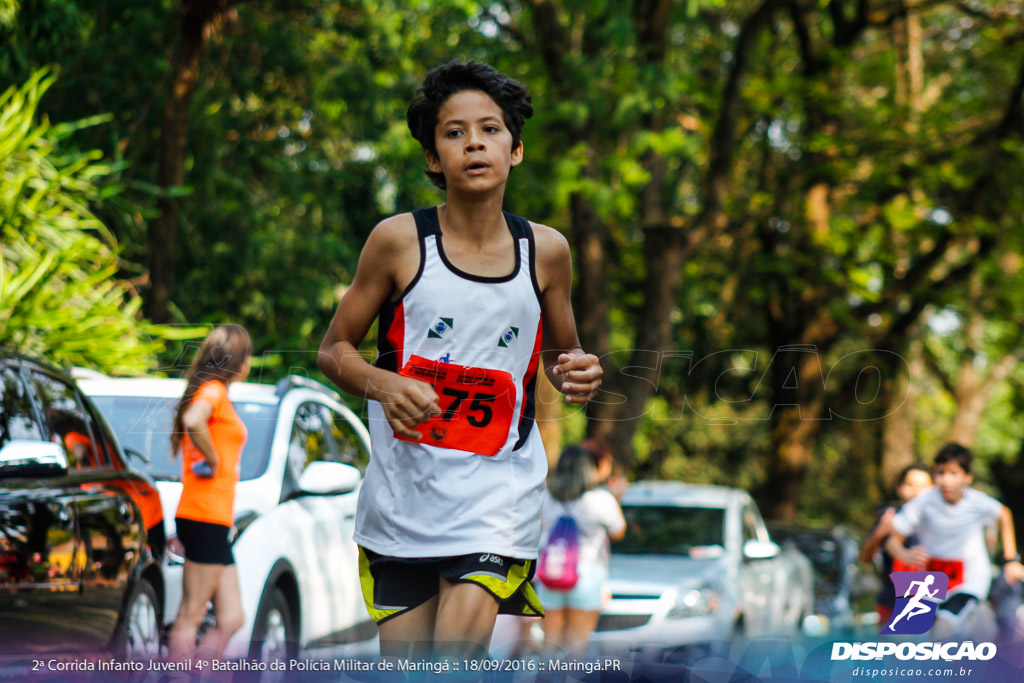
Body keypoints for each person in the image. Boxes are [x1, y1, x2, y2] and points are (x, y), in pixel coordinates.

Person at [317, 60, 603, 659]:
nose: (473, 141)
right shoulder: (398, 241)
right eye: (454, 132)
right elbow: (333, 350)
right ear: (432, 157)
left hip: (498, 496)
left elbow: (561, 354)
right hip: (402, 501)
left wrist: (578, 369)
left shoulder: (546, 252)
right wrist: (384, 386)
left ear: (516, 149)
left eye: (490, 129)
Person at [167, 325, 252, 659]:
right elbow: (193, 418)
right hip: (203, 515)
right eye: (247, 356)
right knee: (192, 614)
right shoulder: (214, 391)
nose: (249, 362)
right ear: (236, 362)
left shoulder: (213, 391)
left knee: (232, 617)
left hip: (212, 518)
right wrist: (213, 457)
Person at [886, 443, 1024, 637]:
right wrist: (903, 553)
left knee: (943, 629)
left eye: (953, 474)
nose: (946, 481)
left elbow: (1004, 514)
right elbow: (892, 541)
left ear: (967, 477)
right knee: (904, 634)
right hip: (931, 582)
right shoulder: (923, 502)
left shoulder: (978, 502)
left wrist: (1011, 560)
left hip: (969, 582)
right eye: (940, 473)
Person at [536, 444, 625, 657]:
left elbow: (538, 528)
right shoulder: (601, 499)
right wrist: (618, 496)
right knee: (577, 644)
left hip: (552, 571)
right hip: (587, 573)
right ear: (587, 469)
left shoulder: (546, 497)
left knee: (550, 643)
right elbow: (618, 531)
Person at [859, 463, 933, 625]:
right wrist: (880, 533)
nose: (917, 491)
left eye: (923, 486)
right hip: (891, 600)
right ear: (899, 487)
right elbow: (865, 558)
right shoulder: (889, 515)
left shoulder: (940, 518)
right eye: (910, 485)